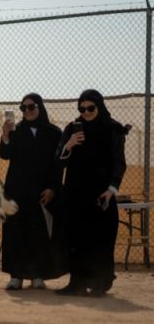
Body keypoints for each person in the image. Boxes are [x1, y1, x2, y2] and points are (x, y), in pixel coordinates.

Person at [55, 89, 127, 298]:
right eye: (82, 108)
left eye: (90, 108)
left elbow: (119, 162)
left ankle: (100, 284)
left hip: (101, 194)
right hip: (75, 193)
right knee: (76, 238)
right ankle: (76, 283)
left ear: (100, 106)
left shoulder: (113, 129)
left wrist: (112, 189)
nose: (86, 112)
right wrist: (69, 145)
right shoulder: (72, 128)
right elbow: (59, 160)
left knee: (101, 238)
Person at [0, 93, 67, 290]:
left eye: (31, 107)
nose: (27, 111)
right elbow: (5, 154)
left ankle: (38, 275)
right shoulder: (16, 130)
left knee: (39, 232)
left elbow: (58, 164)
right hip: (17, 190)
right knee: (15, 231)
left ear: (40, 107)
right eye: (23, 108)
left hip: (42, 192)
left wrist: (53, 188)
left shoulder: (54, 133)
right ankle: (16, 275)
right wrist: (5, 135)